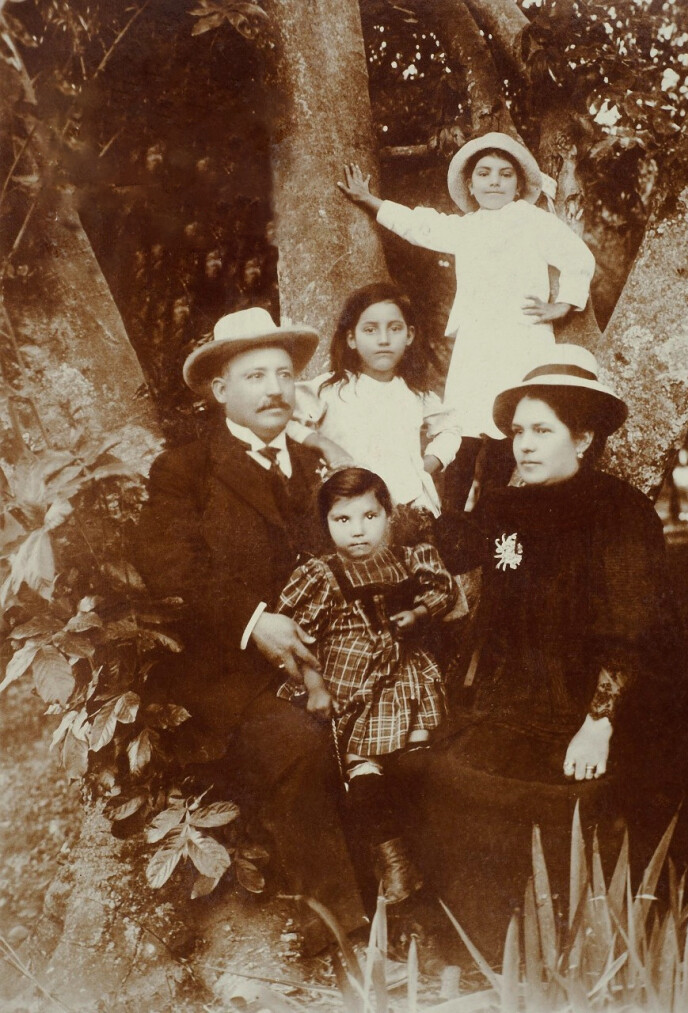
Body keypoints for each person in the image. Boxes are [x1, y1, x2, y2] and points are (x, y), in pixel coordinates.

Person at [411, 344, 688, 955]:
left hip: (614, 705)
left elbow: (630, 629)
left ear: (582, 438)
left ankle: (597, 942)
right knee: (447, 775)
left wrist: (598, 724)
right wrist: (444, 472)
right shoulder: (508, 505)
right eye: (518, 431)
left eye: (542, 431)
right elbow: (457, 548)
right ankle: (492, 941)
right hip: (526, 698)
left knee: (589, 799)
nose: (524, 445)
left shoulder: (620, 512)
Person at [133, 306, 367, 955]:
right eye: (255, 375)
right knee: (298, 743)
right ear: (220, 389)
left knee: (395, 729)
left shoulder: (315, 465)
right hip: (229, 674)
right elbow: (166, 562)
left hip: (321, 657)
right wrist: (253, 620)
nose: (274, 389)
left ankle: (411, 897)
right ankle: (339, 930)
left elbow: (363, 545)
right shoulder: (186, 468)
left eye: (284, 374)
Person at [337, 132, 596, 510]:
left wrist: (564, 304)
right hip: (477, 340)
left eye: (505, 174)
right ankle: (451, 518)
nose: (495, 182)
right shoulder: (466, 227)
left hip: (522, 338)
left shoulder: (533, 220)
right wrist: (369, 200)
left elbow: (578, 257)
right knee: (463, 426)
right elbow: (420, 226)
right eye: (484, 174)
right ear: (470, 186)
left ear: (518, 185)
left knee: (509, 425)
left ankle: (491, 514)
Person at [275, 467, 457, 905]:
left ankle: (428, 861)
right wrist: (316, 687)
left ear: (388, 515)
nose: (358, 531)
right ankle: (393, 861)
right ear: (326, 524)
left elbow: (443, 591)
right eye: (343, 520)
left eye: (370, 516)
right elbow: (299, 637)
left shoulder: (409, 558)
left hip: (406, 675)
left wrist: (418, 614)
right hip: (351, 678)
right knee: (363, 768)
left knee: (415, 761)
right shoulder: (321, 573)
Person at [286, 282, 461, 516]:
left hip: (409, 508)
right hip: (353, 511)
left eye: (395, 328)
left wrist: (428, 464)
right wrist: (322, 444)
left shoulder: (415, 393)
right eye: (370, 330)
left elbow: (451, 428)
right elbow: (283, 417)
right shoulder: (329, 389)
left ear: (409, 335)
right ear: (351, 339)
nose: (384, 340)